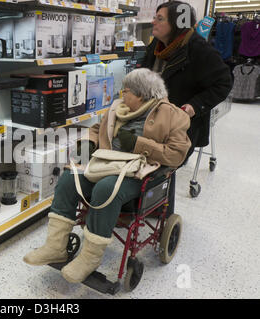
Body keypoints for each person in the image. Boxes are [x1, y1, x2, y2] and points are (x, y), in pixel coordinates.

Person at [23, 68, 191, 284]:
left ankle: (90, 259)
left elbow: (177, 155)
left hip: (138, 172)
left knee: (106, 188)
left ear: (140, 94)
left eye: (126, 90)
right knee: (69, 178)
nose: (122, 94)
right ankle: (56, 246)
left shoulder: (173, 116)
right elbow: (96, 129)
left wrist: (139, 144)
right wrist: (88, 143)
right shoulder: (117, 108)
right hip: (105, 162)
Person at [142, 1, 232, 216]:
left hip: (179, 126)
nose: (153, 21)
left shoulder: (198, 49)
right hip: (148, 118)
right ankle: (135, 208)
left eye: (160, 18)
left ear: (177, 23)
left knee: (161, 164)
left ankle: (158, 210)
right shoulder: (157, 45)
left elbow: (223, 82)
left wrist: (193, 106)